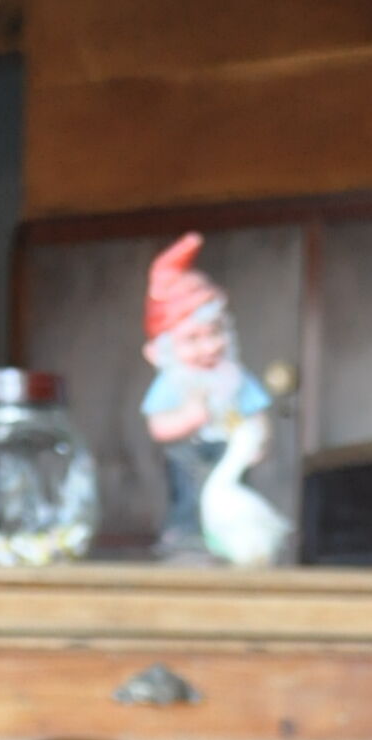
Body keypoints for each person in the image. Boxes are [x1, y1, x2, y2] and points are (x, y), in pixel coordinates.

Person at [139, 234, 271, 556]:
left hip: (229, 449)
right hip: (190, 453)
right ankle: (186, 534)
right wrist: (189, 418)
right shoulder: (172, 384)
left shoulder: (235, 378)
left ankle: (231, 539)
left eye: (215, 333)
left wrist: (258, 439)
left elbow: (256, 414)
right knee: (188, 492)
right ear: (164, 349)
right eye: (193, 339)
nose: (209, 347)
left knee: (234, 492)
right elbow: (158, 426)